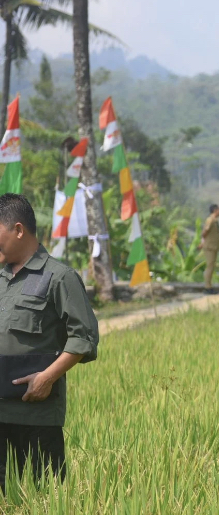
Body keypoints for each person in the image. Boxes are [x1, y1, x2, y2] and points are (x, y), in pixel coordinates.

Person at [0, 193, 98, 489]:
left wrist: (47, 378)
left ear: (18, 230)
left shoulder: (59, 277)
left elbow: (84, 338)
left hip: (36, 416)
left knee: (44, 496)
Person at [200, 204, 219, 294]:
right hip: (209, 247)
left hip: (214, 247)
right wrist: (204, 242)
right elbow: (205, 232)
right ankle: (207, 287)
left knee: (211, 267)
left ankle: (209, 285)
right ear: (215, 210)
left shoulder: (215, 221)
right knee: (209, 266)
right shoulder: (210, 220)